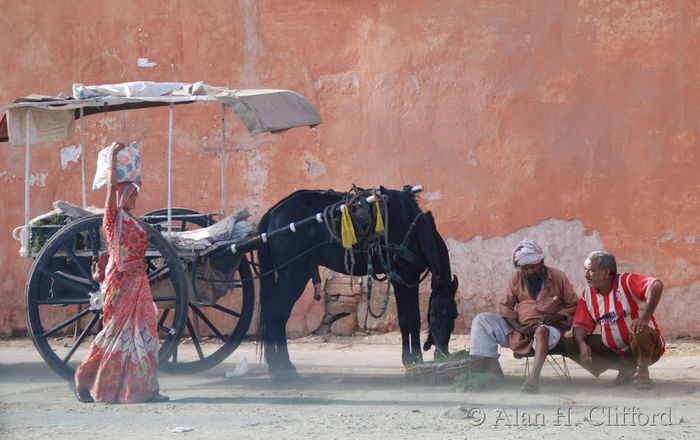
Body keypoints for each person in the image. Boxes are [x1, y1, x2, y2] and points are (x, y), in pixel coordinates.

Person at [72, 142, 168, 403]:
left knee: (143, 333)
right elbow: (111, 187)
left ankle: (143, 389)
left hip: (139, 282)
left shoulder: (135, 222)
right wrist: (114, 157)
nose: (136, 197)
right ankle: (84, 379)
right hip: (120, 282)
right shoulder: (112, 219)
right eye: (132, 193)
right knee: (115, 334)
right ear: (123, 195)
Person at [468, 239, 578, 393]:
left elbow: (574, 306)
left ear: (541, 262)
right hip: (521, 331)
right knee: (482, 320)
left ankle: (533, 380)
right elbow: (505, 306)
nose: (530, 271)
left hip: (549, 332)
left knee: (542, 331)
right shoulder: (517, 278)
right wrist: (519, 327)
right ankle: (493, 373)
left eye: (533, 266)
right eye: (525, 268)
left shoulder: (558, 277)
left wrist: (556, 317)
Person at [562, 251, 664, 390]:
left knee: (637, 331)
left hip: (646, 345)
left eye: (591, 271)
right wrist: (581, 345)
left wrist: (644, 318)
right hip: (616, 350)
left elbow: (656, 285)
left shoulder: (626, 282)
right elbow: (580, 325)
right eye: (586, 271)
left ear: (606, 272)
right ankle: (625, 368)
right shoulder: (588, 293)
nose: (586, 275)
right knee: (570, 344)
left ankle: (643, 370)